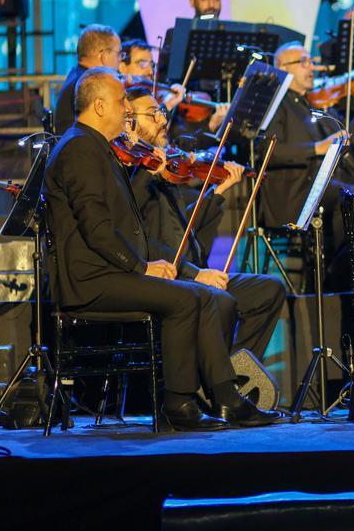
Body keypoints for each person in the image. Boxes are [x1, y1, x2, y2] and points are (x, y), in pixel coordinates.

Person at [42, 67, 279, 429]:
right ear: (100, 106)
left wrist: (152, 263)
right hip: (90, 280)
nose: (127, 110)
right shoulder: (79, 149)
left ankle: (225, 397)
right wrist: (142, 267)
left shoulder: (95, 147)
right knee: (188, 298)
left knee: (200, 295)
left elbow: (122, 227)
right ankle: (178, 403)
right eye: (121, 101)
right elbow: (98, 229)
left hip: (107, 272)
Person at [123, 85, 287, 362]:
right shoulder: (130, 174)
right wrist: (195, 274)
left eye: (161, 112)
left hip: (189, 272)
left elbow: (185, 232)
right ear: (129, 123)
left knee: (269, 290)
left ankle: (234, 371)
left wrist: (217, 193)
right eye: (153, 114)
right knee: (221, 301)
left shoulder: (164, 167)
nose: (163, 120)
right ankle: (216, 375)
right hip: (166, 280)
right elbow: (141, 242)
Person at [259, 42, 354, 248]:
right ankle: (341, 263)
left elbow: (351, 138)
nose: (312, 67)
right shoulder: (276, 104)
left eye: (311, 61)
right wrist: (317, 147)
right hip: (300, 190)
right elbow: (270, 152)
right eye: (303, 62)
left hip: (336, 180)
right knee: (350, 197)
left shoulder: (314, 103)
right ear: (283, 68)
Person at [53, 24, 120, 134]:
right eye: (118, 54)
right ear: (104, 56)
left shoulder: (76, 74)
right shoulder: (89, 84)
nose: (120, 60)